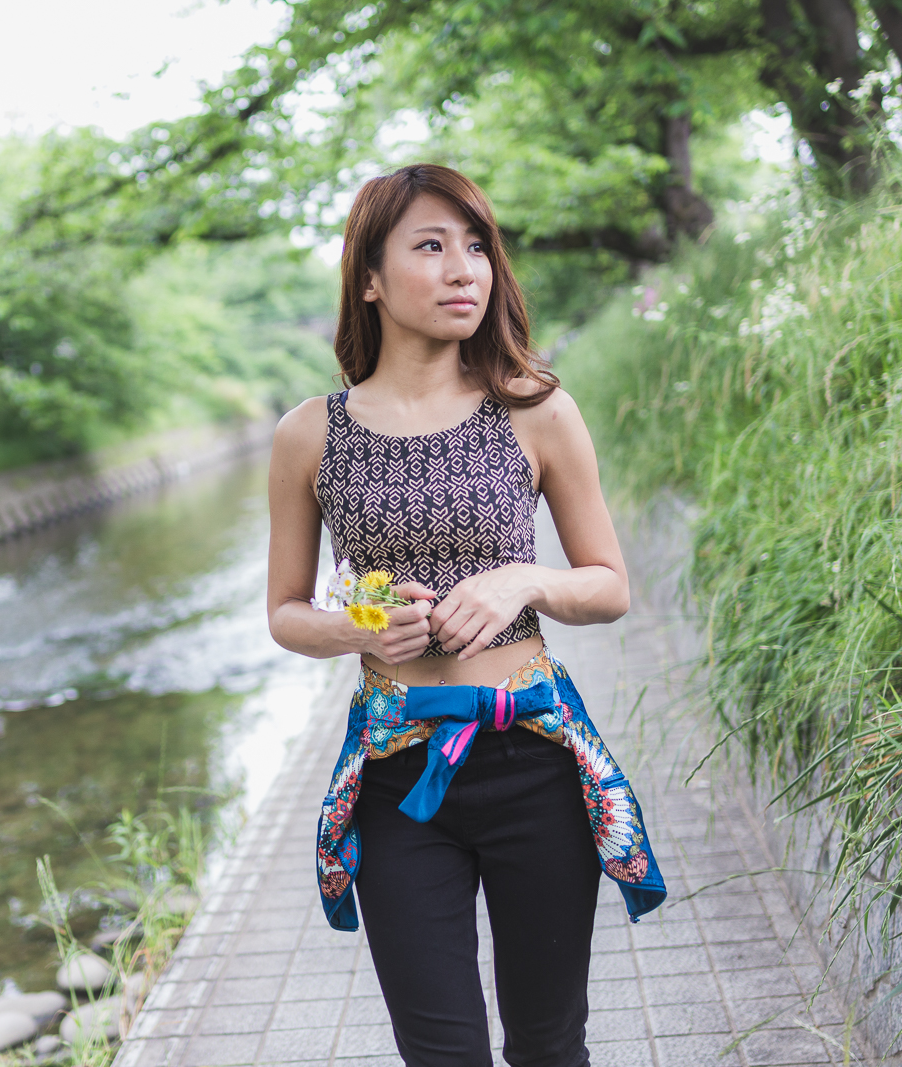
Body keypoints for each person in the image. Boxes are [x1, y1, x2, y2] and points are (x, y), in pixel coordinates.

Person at [265, 163, 666, 1067]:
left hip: (535, 763)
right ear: (369, 277)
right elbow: (286, 612)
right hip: (399, 778)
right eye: (432, 246)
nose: (465, 270)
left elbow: (608, 585)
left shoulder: (534, 409)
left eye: (477, 246)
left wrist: (524, 579)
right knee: (442, 1053)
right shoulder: (310, 434)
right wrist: (355, 629)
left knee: (548, 1043)